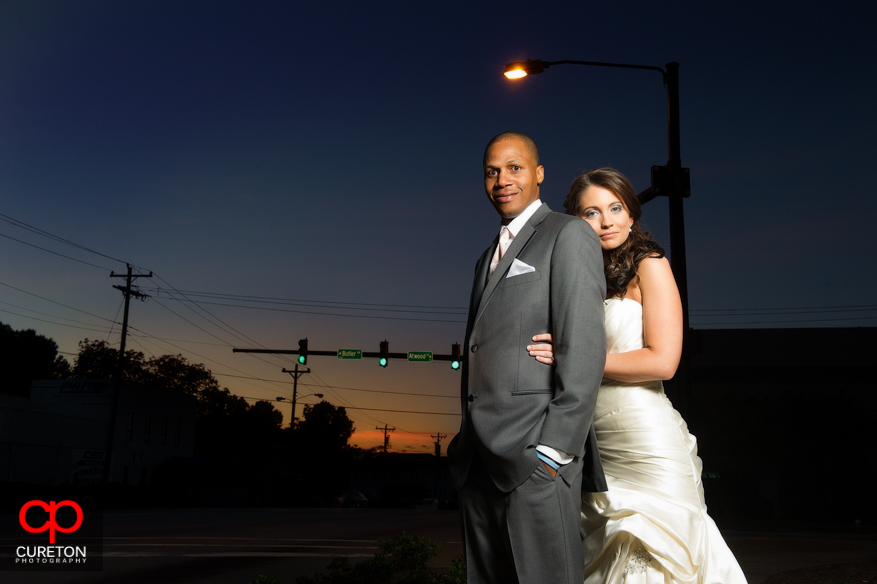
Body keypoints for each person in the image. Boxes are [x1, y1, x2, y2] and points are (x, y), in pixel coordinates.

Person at [528, 167, 748, 583]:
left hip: (646, 438)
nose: (607, 221)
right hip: (594, 443)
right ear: (575, 221)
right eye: (591, 213)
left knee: (657, 553)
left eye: (615, 208)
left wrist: (574, 357)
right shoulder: (577, 277)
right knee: (609, 554)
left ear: (631, 214)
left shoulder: (650, 264)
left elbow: (663, 361)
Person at [446, 132, 608, 584]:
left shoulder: (569, 234)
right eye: (492, 171)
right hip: (478, 462)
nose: (502, 180)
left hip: (534, 457)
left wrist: (554, 451)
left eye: (515, 168)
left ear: (538, 174)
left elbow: (585, 347)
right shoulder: (486, 258)